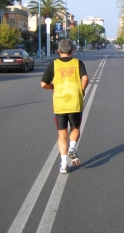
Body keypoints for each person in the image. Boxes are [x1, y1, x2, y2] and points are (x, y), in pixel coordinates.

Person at [41, 39, 89, 174]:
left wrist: (53, 87)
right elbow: (85, 78)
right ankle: (72, 148)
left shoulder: (53, 64)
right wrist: (82, 90)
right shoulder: (78, 63)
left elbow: (43, 84)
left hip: (59, 104)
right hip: (75, 103)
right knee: (75, 128)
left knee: (62, 134)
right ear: (72, 51)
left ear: (58, 51)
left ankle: (63, 164)